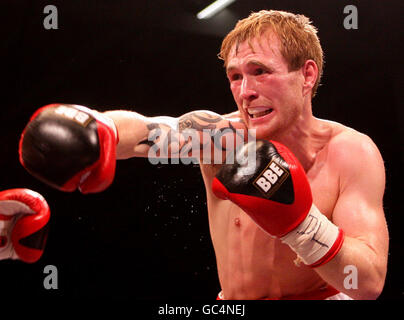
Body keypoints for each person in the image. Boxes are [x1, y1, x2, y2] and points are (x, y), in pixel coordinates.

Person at [19, 10, 389, 299]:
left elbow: (368, 281)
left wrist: (301, 225)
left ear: (307, 75)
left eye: (260, 72)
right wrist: (101, 129)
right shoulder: (220, 138)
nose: (245, 91)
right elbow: (146, 131)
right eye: (234, 76)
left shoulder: (350, 152)